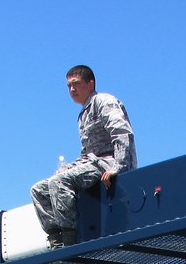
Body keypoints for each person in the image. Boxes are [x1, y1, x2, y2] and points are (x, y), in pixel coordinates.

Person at [31, 65, 136, 249]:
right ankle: (56, 241)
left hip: (108, 163)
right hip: (92, 163)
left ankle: (70, 243)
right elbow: (87, 152)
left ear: (90, 83)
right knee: (39, 190)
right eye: (69, 86)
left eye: (76, 84)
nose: (72, 89)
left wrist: (118, 168)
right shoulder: (82, 114)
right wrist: (68, 168)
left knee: (59, 182)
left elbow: (122, 134)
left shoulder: (104, 101)